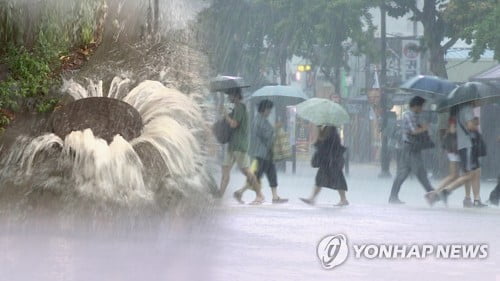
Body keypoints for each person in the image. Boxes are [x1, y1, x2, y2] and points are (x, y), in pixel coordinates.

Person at [233, 99, 288, 204]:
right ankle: (249, 194)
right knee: (257, 176)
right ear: (265, 109)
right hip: (262, 154)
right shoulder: (260, 121)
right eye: (269, 110)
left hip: (265, 154)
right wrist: (275, 129)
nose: (270, 112)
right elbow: (268, 137)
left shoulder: (259, 120)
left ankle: (274, 196)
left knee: (271, 174)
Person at [430, 116, 487, 207]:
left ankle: (436, 193)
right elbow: (455, 129)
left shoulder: (459, 111)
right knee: (469, 174)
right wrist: (473, 124)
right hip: (460, 148)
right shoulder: (462, 112)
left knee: (464, 174)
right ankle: (445, 192)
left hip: (458, 148)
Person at [217, 87, 262, 203]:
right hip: (232, 145)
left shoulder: (240, 108)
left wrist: (225, 115)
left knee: (246, 171)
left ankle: (259, 194)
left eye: (230, 95)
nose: (229, 97)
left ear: (236, 95)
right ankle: (219, 196)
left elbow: (233, 124)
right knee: (225, 169)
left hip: (239, 145)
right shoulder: (236, 108)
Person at [388, 96, 436, 205]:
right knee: (419, 173)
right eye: (421, 106)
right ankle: (432, 194)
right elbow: (413, 131)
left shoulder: (416, 115)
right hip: (410, 148)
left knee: (404, 173)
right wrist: (424, 128)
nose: (422, 109)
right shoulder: (408, 115)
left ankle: (393, 196)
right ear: (416, 106)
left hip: (412, 148)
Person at [300, 125, 348, 207]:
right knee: (320, 179)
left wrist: (319, 140)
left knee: (338, 179)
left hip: (332, 161)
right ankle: (312, 198)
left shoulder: (331, 131)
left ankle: (343, 199)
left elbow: (328, 146)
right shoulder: (327, 131)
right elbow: (323, 145)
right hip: (327, 161)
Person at [436, 108, 473, 207]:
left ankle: (434, 193)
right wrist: (465, 127)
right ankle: (447, 192)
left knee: (453, 175)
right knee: (467, 175)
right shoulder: (461, 114)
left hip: (452, 148)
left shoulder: (452, 114)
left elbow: (449, 130)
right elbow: (453, 130)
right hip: (458, 148)